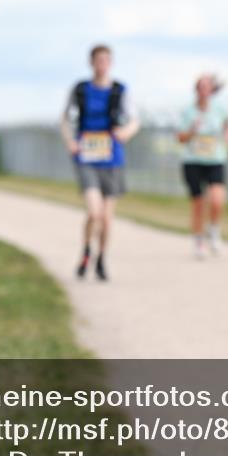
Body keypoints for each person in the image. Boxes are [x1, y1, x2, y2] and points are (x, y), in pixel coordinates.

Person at [60, 44, 140, 281]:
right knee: (94, 212)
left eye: (106, 60)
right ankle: (86, 250)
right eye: (98, 60)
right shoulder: (80, 89)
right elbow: (65, 118)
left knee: (106, 216)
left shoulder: (120, 90)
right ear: (91, 62)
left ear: (111, 63)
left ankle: (101, 257)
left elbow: (135, 119)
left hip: (111, 157)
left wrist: (126, 132)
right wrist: (70, 141)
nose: (102, 64)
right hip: (86, 156)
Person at [176, 74, 228, 259]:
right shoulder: (188, 111)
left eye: (207, 87)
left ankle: (214, 229)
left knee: (217, 200)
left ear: (212, 90)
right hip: (193, 160)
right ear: (196, 89)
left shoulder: (220, 109)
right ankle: (198, 241)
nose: (203, 90)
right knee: (198, 203)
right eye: (200, 87)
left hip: (215, 160)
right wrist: (192, 131)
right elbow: (180, 138)